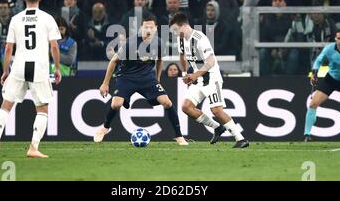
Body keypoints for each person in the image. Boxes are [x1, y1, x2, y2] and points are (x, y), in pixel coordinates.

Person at [0, 0, 62, 158]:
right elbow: (55, 47)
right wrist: (56, 68)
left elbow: (8, 49)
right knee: (42, 109)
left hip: (19, 67)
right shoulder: (47, 18)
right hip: (40, 68)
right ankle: (33, 147)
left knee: (6, 105)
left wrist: (5, 71)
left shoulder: (16, 19)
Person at [94, 13, 188, 146]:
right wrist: (105, 83)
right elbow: (113, 61)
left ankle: (179, 136)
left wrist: (158, 78)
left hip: (147, 78)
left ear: (156, 28)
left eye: (151, 27)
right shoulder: (131, 43)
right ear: (141, 28)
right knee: (116, 104)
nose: (148, 30)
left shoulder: (159, 43)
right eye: (145, 28)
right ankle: (105, 128)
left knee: (167, 102)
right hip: (127, 77)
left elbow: (160, 60)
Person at [169, 13, 249, 148]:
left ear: (184, 26)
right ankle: (217, 127)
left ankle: (241, 138)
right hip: (198, 79)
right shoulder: (181, 39)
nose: (175, 34)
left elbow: (211, 61)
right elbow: (182, 55)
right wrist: (184, 73)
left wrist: (195, 75)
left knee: (216, 110)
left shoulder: (200, 39)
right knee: (186, 107)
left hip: (211, 78)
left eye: (176, 30)